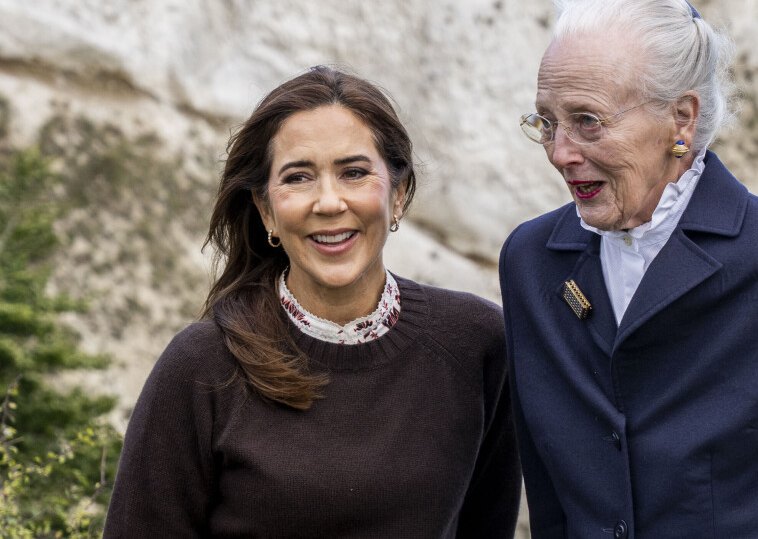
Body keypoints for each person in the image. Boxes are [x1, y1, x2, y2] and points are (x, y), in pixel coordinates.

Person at [499, 0, 758, 537]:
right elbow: (552, 506)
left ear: (681, 119)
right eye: (548, 122)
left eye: (588, 121)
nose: (560, 152)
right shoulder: (530, 264)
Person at [104, 65, 521, 538]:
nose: (328, 202)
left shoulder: (477, 344)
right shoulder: (201, 367)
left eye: (354, 173)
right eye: (299, 177)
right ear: (266, 211)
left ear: (399, 194)